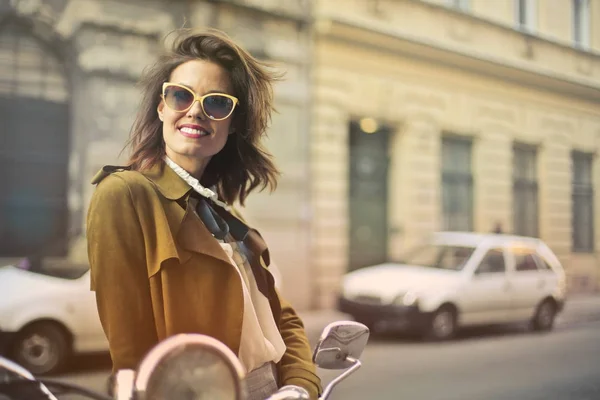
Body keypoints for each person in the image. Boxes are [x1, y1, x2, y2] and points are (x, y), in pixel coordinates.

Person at [86, 29, 321, 399]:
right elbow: (131, 355)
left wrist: (300, 385)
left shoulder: (222, 210)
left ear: (232, 123)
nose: (195, 110)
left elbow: (280, 315)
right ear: (161, 107)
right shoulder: (124, 195)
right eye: (181, 95)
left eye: (216, 103)